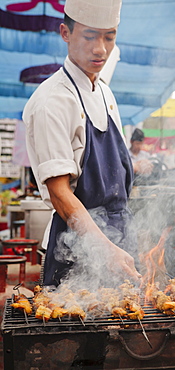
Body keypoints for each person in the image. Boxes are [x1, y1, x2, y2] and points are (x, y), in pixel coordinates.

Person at [23, 0, 141, 286]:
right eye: (89, 36)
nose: (100, 48)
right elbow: (60, 194)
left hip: (120, 247)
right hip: (77, 253)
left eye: (109, 36)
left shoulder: (105, 93)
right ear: (65, 33)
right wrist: (104, 249)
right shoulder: (52, 100)